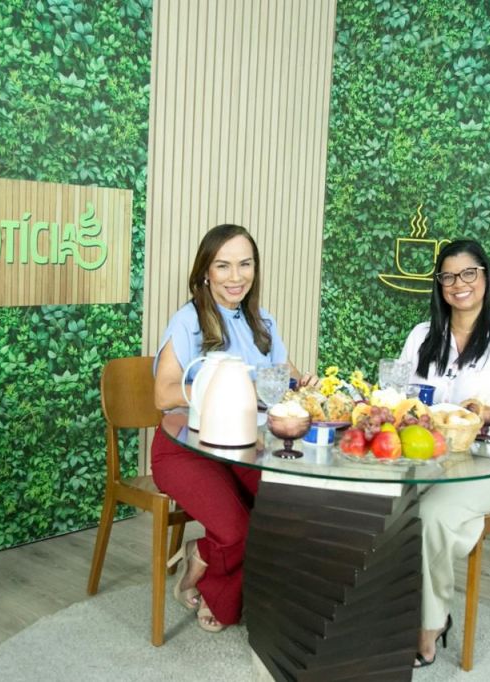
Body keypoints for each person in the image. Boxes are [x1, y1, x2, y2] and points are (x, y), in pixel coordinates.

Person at [151, 223, 316, 632]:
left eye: (245, 264)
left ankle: (204, 554)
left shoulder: (263, 323)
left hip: (247, 448)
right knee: (238, 530)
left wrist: (306, 386)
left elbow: (287, 380)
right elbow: (164, 394)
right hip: (187, 449)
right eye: (223, 266)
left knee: (288, 510)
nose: (236, 276)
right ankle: (208, 578)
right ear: (205, 272)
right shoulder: (188, 321)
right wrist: (230, 387)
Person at [397, 239, 490, 667]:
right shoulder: (422, 336)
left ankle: (430, 625)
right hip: (428, 460)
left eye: (468, 273)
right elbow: (402, 398)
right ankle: (382, 606)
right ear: (439, 284)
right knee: (380, 502)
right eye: (448, 276)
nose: (458, 284)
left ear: (484, 276)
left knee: (432, 516)